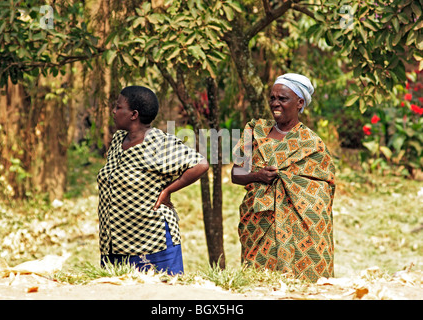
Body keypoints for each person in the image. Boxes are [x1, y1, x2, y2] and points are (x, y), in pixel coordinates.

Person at [231, 73, 336, 282]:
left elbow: (322, 190)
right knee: (258, 283)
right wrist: (257, 176)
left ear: (300, 103)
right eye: (272, 98)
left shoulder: (311, 144)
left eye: (282, 99)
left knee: (301, 288)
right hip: (259, 222)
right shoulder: (255, 131)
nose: (275, 103)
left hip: (301, 228)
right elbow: (235, 174)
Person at [97, 85, 209, 275]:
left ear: (134, 114)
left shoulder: (158, 143)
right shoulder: (118, 140)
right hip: (115, 242)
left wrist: (167, 191)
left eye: (118, 107)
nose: (113, 112)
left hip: (151, 242)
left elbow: (200, 164)